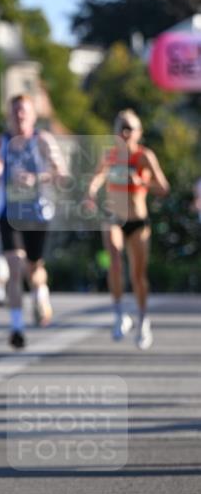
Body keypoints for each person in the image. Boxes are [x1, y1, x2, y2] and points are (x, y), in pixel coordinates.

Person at [0, 94, 66, 349]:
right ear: (9, 114)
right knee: (15, 267)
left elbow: (61, 173)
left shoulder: (42, 141)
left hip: (37, 214)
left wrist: (36, 179)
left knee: (34, 268)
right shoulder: (0, 142)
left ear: (33, 115)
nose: (20, 116)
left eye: (24, 112)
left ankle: (41, 293)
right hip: (9, 213)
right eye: (15, 111)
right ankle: (17, 326)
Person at [86, 109, 169, 349]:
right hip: (114, 217)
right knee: (113, 258)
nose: (124, 133)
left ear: (138, 133)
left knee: (137, 275)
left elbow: (163, 187)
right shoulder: (110, 155)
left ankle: (143, 320)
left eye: (129, 128)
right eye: (120, 128)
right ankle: (119, 313)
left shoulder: (144, 157)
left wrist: (141, 181)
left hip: (138, 222)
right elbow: (98, 177)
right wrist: (90, 192)